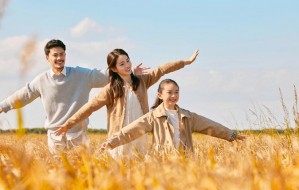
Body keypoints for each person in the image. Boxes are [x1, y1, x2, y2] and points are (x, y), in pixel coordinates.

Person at [0, 39, 146, 153]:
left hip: (78, 136)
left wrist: (130, 72)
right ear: (47, 58)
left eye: (62, 54)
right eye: (55, 55)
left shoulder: (81, 75)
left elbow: (107, 75)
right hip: (55, 136)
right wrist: (2, 106)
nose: (59, 58)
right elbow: (24, 94)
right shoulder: (41, 80)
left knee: (82, 175)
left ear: (65, 55)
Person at [54, 49, 199, 159]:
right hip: (119, 138)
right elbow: (91, 107)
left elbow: (161, 69)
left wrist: (186, 62)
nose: (127, 65)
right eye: (122, 64)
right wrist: (69, 124)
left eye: (128, 61)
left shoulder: (142, 81)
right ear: (114, 69)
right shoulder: (111, 89)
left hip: (139, 135)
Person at [100, 79, 246, 156]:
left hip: (185, 163)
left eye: (176, 92)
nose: (174, 96)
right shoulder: (153, 117)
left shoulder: (188, 117)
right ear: (160, 95)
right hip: (161, 164)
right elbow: (131, 130)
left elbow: (211, 126)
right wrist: (111, 143)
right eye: (169, 92)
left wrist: (232, 135)